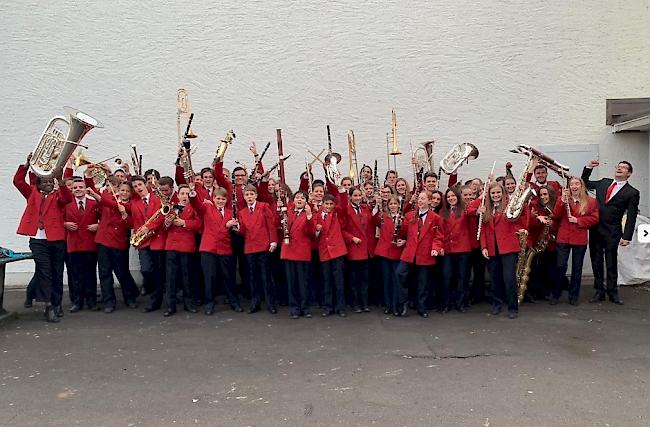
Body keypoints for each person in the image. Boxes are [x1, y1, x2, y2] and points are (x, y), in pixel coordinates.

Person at [14, 154, 71, 322]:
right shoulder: (32, 194)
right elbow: (18, 182)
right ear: (38, 185)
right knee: (45, 272)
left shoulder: (57, 196)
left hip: (56, 240)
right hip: (38, 241)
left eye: (50, 182)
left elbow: (67, 198)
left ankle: (57, 303)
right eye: (45, 182)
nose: (48, 184)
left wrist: (60, 181)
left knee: (57, 272)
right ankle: (48, 306)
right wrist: (26, 165)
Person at [582, 160, 639, 304]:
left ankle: (613, 292)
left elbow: (631, 216)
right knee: (596, 261)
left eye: (624, 167)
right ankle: (599, 291)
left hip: (612, 231)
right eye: (618, 166)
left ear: (629, 174)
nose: (620, 168)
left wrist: (627, 236)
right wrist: (588, 168)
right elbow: (584, 182)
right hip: (595, 229)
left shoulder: (632, 192)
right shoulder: (603, 182)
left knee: (611, 262)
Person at [87, 175, 140, 313]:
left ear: (131, 194)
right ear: (118, 189)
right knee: (105, 273)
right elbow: (96, 193)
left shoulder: (131, 205)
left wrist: (125, 215)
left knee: (122, 272)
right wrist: (88, 177)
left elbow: (131, 224)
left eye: (127, 191)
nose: (124, 193)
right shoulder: (110, 199)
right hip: (103, 241)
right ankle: (109, 302)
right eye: (122, 190)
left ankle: (130, 297)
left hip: (119, 242)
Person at [477, 183, 528, 319]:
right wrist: (484, 247)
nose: (496, 195)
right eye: (493, 193)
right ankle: (497, 304)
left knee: (509, 278)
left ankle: (513, 307)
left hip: (508, 248)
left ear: (503, 193)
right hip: (492, 249)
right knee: (495, 279)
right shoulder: (486, 209)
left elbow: (522, 219)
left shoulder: (510, 207)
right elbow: (482, 231)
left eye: (498, 192)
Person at [189, 185, 242, 315]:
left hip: (225, 248)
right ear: (213, 198)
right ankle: (209, 304)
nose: (220, 201)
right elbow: (196, 205)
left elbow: (238, 230)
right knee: (209, 277)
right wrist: (192, 194)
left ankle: (234, 302)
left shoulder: (231, 212)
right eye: (218, 198)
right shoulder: (207, 208)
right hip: (209, 248)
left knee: (229, 277)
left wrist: (233, 226)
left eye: (223, 199)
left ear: (226, 200)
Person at [394, 191, 444, 318]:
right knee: (399, 273)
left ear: (429, 201)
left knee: (423, 282)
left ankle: (422, 307)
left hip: (425, 253)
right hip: (410, 252)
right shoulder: (410, 215)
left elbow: (438, 236)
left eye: (423, 199)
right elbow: (404, 233)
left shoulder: (435, 218)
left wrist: (435, 248)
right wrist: (399, 227)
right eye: (419, 199)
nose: (420, 201)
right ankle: (403, 304)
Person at [552, 178, 599, 305]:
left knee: (577, 268)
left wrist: (578, 221)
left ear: (582, 186)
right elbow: (555, 216)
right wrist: (561, 201)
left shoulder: (591, 201)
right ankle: (555, 294)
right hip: (564, 237)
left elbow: (594, 219)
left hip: (579, 238)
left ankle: (574, 296)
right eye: (571, 184)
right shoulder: (564, 199)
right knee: (560, 266)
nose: (574, 186)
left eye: (576, 183)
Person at [237, 185, 278, 314]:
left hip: (264, 245)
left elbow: (270, 225)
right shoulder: (242, 212)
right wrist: (237, 227)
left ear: (255, 195)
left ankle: (270, 303)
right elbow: (243, 231)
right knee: (252, 277)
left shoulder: (263, 206)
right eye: (247, 195)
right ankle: (256, 302)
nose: (249, 197)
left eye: (251, 194)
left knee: (266, 276)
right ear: (244, 197)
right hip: (250, 247)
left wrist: (273, 241)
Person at [63, 177, 100, 313]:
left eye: (81, 187)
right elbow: (57, 219)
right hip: (73, 245)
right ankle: (77, 302)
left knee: (90, 274)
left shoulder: (94, 203)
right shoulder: (66, 205)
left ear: (85, 189)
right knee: (75, 275)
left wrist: (98, 225)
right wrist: (65, 224)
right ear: (71, 190)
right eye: (75, 188)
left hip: (90, 244)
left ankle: (91, 301)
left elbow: (105, 218)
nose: (78, 189)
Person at [279, 191, 315, 319]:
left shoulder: (309, 214)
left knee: (303, 282)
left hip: (302, 251)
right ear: (293, 200)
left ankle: (305, 307)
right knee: (291, 282)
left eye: (302, 198)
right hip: (289, 250)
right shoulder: (287, 212)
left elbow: (311, 232)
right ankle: (294, 308)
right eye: (297, 197)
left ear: (306, 201)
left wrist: (310, 215)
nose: (299, 199)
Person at [342, 187, 376, 313]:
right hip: (354, 248)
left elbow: (371, 225)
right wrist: (352, 238)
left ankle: (365, 302)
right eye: (355, 195)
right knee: (354, 279)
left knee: (365, 278)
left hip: (366, 248)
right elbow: (342, 229)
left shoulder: (365, 208)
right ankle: (355, 303)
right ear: (350, 197)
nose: (357, 198)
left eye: (359, 195)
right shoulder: (346, 210)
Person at [315, 191, 349, 317]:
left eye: (331, 204)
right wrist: (316, 230)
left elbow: (344, 206)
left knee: (339, 281)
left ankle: (340, 307)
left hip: (337, 251)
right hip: (324, 251)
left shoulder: (337, 214)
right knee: (327, 280)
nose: (328, 206)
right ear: (322, 204)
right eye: (326, 204)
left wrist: (342, 193)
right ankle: (328, 306)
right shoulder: (317, 215)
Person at [441, 187, 472, 312]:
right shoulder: (444, 212)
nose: (451, 198)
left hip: (463, 249)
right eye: (448, 197)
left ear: (458, 197)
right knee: (447, 277)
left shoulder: (465, 209)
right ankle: (446, 303)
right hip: (448, 250)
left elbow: (472, 211)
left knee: (462, 278)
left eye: (453, 196)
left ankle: (460, 303)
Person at [374, 196, 405, 315]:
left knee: (395, 280)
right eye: (390, 204)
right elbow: (373, 220)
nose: (392, 206)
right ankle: (388, 305)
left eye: (395, 203)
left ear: (398, 205)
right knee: (386, 280)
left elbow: (406, 233)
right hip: (385, 253)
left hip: (397, 252)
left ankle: (395, 305)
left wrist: (402, 241)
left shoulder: (402, 218)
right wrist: (377, 205)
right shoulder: (383, 217)